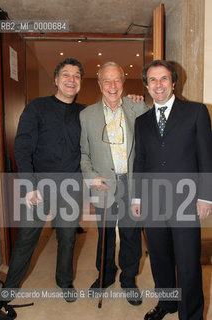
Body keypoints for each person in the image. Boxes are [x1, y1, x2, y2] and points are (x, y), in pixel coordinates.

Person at [0, 57, 85, 319]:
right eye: (66, 74)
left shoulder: (85, 112)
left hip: (71, 186)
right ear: (56, 80)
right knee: (26, 239)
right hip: (39, 185)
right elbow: (23, 147)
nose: (72, 79)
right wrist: (29, 185)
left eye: (77, 76)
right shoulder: (37, 107)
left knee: (68, 237)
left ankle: (64, 281)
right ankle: (7, 292)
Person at [132, 60, 212, 320]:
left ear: (173, 82)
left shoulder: (196, 112)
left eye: (163, 78)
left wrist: (205, 196)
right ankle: (167, 304)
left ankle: (191, 314)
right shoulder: (142, 121)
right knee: (159, 257)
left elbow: (206, 156)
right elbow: (140, 160)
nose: (158, 84)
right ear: (146, 85)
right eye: (152, 80)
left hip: (187, 200)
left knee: (188, 262)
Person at [80, 61, 148, 306]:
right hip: (104, 185)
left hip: (130, 183)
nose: (112, 85)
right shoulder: (86, 115)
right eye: (106, 80)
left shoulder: (138, 107)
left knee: (130, 234)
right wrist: (91, 177)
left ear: (124, 82)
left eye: (116, 80)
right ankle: (105, 275)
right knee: (105, 234)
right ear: (99, 84)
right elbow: (83, 154)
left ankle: (128, 280)